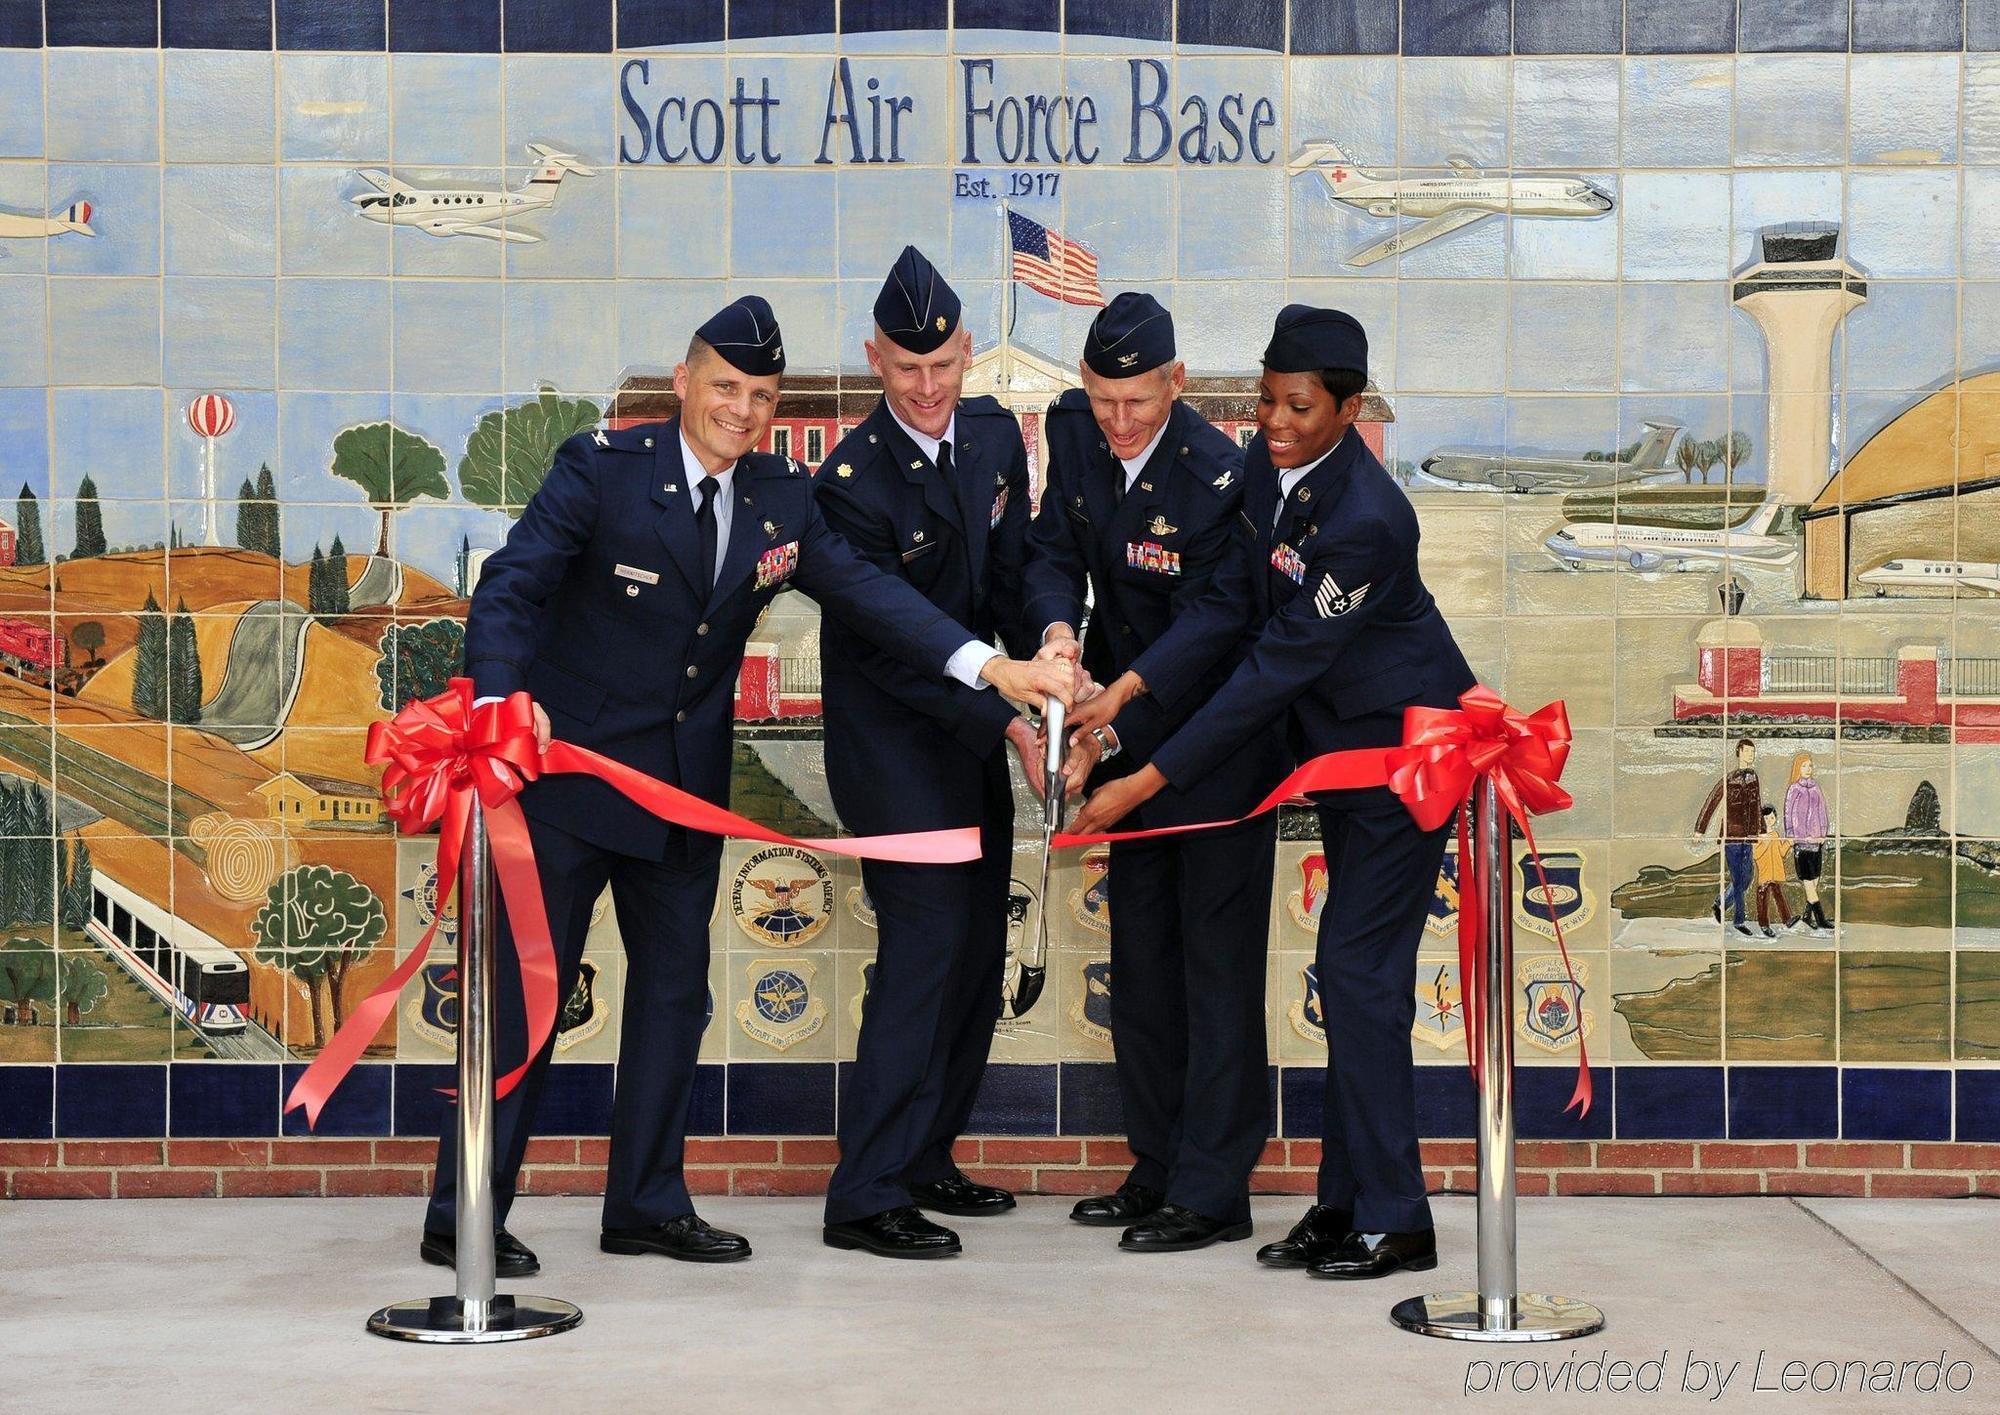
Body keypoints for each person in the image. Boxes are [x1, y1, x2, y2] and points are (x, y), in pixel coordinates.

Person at [429, 295, 1072, 1276]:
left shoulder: (780, 497)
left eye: (760, 393)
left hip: (682, 793)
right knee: (525, 1006)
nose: (740, 407)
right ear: (683, 382)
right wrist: (503, 700)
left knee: (673, 1002)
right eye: (724, 386)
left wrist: (991, 668)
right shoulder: (599, 471)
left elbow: (874, 597)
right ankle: (464, 1213)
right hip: (560, 786)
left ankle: (645, 1202)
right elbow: (511, 588)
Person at [1070, 304, 1475, 1281]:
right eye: (1265, 400)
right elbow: (1223, 609)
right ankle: (1341, 1208)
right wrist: (1120, 702)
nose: (1274, 420)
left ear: (1347, 407)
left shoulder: (1370, 519)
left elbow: (1270, 670)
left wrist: (1135, 788)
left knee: (1357, 978)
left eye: (1298, 405)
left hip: (1399, 770)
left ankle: (1394, 1213)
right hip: (1335, 763)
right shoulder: (1264, 471)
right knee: (1349, 981)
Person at [1026, 292, 1285, 1253]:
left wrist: (1121, 698)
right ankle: (1158, 1163)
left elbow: (1219, 621)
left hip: (1215, 747)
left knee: (1215, 974)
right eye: (1103, 400)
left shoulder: (1224, 475)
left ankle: (1214, 1188)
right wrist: (1058, 631)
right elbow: (1053, 545)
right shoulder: (1078, 438)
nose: (1119, 421)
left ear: (1177, 384)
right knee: (1142, 964)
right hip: (1127, 741)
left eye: (1137, 401)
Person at [813, 247, 1049, 1260]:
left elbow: (1021, 559)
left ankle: (925, 1154)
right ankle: (864, 1190)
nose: (924, 387)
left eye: (942, 364)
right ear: (875, 359)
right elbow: (895, 641)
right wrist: (1005, 710)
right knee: (919, 958)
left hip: (975, 734)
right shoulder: (850, 482)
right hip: (896, 746)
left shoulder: (992, 432)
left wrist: (1050, 637)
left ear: (963, 352)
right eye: (904, 369)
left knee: (972, 958)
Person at [1696, 738, 1761, 939]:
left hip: (1748, 836)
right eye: (1748, 751)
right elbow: (1712, 801)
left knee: (1747, 876)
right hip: (1731, 836)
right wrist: (1700, 829)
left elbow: (1757, 805)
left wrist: (1762, 830)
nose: (1751, 755)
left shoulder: (1753, 778)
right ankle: (1739, 920)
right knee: (1738, 878)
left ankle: (1721, 903)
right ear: (1739, 753)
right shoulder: (1730, 779)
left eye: (1753, 752)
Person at [1783, 751, 1831, 935]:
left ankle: (1806, 916)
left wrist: (1823, 833)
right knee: (1809, 884)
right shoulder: (1794, 789)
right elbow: (1788, 814)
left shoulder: (1816, 788)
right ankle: (1821, 920)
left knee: (1815, 882)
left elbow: (1822, 812)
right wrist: (1791, 835)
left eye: (1810, 765)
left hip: (1817, 843)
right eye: (1804, 765)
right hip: (1801, 844)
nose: (1808, 769)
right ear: (1798, 768)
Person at [1751, 805, 1795, 937]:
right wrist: (1765, 841)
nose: (1769, 820)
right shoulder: (1758, 836)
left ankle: (1787, 919)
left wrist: (1788, 843)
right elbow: (1755, 854)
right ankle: (1764, 925)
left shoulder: (1775, 834)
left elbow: (1781, 853)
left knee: (1779, 895)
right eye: (1766, 818)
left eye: (1772, 817)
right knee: (1763, 899)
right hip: (1764, 874)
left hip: (1774, 873)